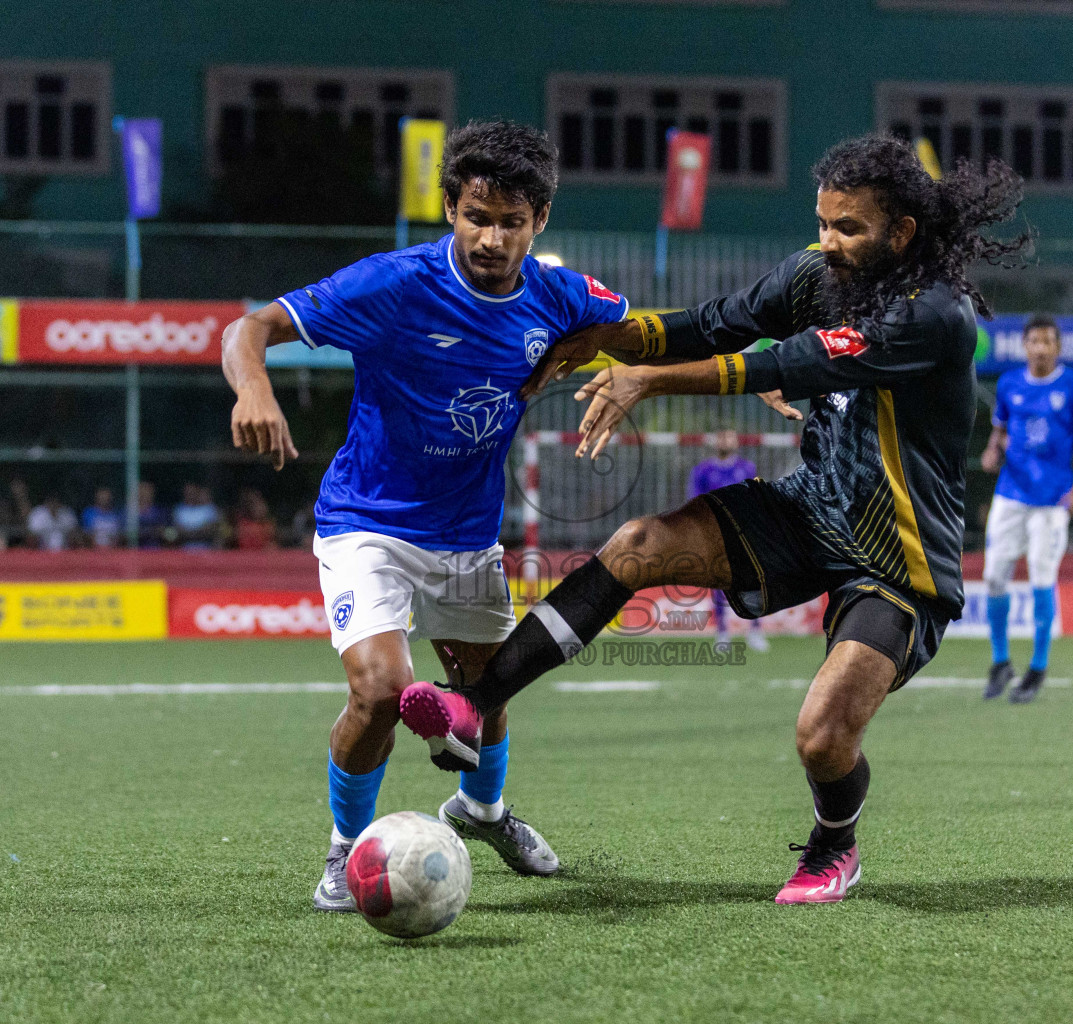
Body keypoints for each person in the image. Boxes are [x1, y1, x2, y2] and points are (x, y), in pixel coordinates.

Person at [399, 133, 1027, 904]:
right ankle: (474, 703)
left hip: (898, 557)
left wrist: (648, 380)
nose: (827, 242)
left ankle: (835, 846)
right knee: (638, 545)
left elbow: (784, 363)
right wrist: (602, 340)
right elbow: (717, 321)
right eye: (823, 222)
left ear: (900, 233)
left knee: (823, 736)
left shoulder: (935, 315)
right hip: (810, 511)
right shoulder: (812, 271)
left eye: (848, 229)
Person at [221, 120, 631, 913]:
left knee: (486, 692)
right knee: (381, 690)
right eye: (478, 216)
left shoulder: (561, 294)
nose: (491, 237)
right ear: (450, 207)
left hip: (467, 532)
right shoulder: (395, 284)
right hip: (366, 520)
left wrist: (599, 357)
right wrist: (254, 389)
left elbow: (632, 329)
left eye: (511, 222)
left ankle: (481, 813)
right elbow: (252, 327)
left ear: (539, 221)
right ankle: (347, 851)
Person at [977, 314, 1073, 704]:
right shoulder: (1009, 383)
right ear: (1025, 346)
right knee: (994, 576)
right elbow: (1000, 428)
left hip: (1052, 501)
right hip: (1011, 494)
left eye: (1049, 341)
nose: (1042, 347)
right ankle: (1001, 662)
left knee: (1041, 578)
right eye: (1035, 341)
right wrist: (992, 448)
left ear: (1058, 347)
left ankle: (1037, 667)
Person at [687, 429, 769, 652]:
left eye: (730, 436)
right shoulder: (703, 471)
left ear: (736, 441)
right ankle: (722, 633)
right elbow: (695, 503)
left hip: (743, 535)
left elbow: (754, 500)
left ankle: (755, 630)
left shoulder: (746, 468)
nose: (726, 440)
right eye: (722, 436)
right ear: (715, 442)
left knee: (753, 581)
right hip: (716, 536)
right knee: (719, 584)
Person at [172, 484, 224, 550]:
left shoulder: (209, 508)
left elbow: (211, 530)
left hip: (206, 549)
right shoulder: (179, 510)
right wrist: (198, 531)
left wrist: (188, 532)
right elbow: (177, 531)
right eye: (188, 493)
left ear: (197, 493)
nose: (190, 495)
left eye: (192, 493)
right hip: (184, 550)